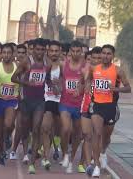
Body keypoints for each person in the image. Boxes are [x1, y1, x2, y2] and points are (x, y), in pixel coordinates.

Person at [85, 44, 131, 177]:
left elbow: (128, 88)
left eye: (108, 53)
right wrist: (88, 87)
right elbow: (88, 79)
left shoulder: (118, 71)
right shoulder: (94, 69)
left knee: (106, 138)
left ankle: (103, 152)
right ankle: (97, 165)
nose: (105, 56)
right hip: (97, 105)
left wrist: (116, 89)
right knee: (97, 134)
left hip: (111, 107)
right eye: (103, 53)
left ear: (113, 56)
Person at [11, 38, 48, 174]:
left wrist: (55, 85)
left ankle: (32, 162)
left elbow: (47, 77)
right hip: (26, 100)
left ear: (45, 50)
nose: (39, 52)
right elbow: (13, 78)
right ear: (33, 50)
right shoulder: (27, 61)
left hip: (39, 101)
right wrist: (27, 83)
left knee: (37, 127)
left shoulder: (46, 62)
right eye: (37, 49)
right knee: (25, 128)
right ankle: (26, 152)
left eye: (42, 50)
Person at [58, 40, 86, 173]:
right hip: (65, 103)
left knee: (77, 134)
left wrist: (80, 88)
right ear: (69, 52)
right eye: (73, 51)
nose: (75, 54)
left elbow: (89, 83)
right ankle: (65, 154)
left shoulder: (86, 67)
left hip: (80, 106)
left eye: (78, 51)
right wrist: (57, 87)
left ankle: (71, 158)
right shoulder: (63, 65)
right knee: (65, 129)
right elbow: (58, 80)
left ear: (82, 52)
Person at [78, 46, 102, 173]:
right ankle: (89, 164)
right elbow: (81, 83)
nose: (97, 60)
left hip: (100, 107)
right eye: (94, 58)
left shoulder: (106, 72)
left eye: (99, 58)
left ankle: (97, 159)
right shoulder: (85, 70)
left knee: (97, 136)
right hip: (86, 105)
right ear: (90, 58)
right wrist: (80, 87)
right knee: (87, 135)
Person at [41, 40, 62, 170]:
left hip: (60, 101)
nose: (54, 53)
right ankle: (45, 158)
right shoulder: (42, 66)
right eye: (51, 51)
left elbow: (67, 86)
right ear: (48, 52)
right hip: (47, 100)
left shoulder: (64, 66)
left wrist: (58, 86)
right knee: (46, 128)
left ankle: (58, 148)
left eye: (56, 51)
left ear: (60, 52)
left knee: (60, 130)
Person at [10, 44, 30, 163]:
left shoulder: (28, 65)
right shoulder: (11, 66)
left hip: (23, 99)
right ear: (16, 54)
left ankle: (18, 151)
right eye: (19, 52)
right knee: (8, 125)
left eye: (23, 52)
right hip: (9, 99)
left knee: (21, 127)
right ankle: (7, 139)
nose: (21, 54)